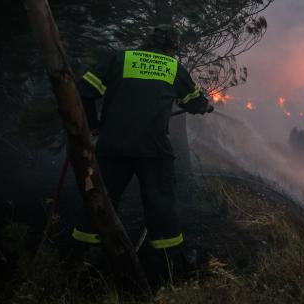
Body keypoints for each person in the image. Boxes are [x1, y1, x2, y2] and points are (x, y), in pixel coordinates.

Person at [71, 24, 212, 271]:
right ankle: (170, 265)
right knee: (161, 204)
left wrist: (92, 125)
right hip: (153, 150)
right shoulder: (172, 66)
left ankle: (84, 258)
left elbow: (83, 91)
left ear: (147, 41)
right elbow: (194, 102)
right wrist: (205, 106)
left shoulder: (119, 59)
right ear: (172, 47)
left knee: (101, 199)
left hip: (113, 146)